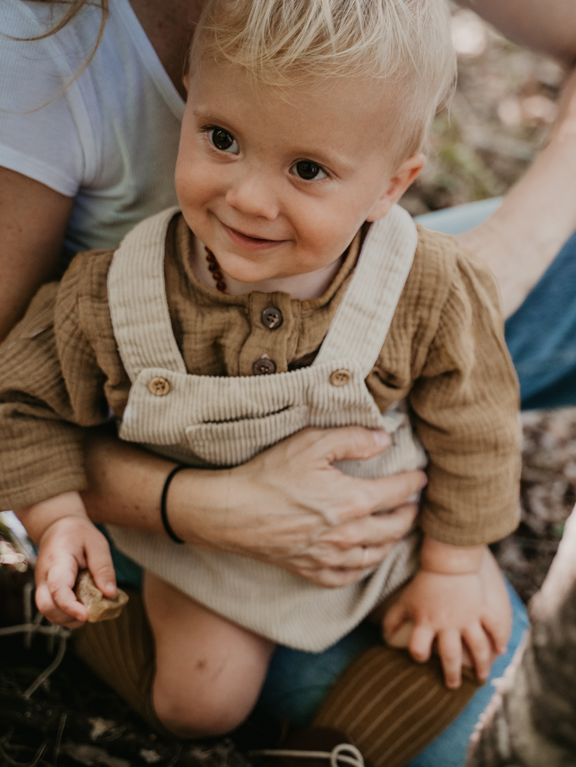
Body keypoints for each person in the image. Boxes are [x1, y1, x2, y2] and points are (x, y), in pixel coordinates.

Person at [1, 0, 521, 751]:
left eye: (307, 169)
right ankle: (53, 622)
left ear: (390, 186)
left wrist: (452, 563)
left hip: (383, 523)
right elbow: (19, 402)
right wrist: (61, 519)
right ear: (188, 92)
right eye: (221, 138)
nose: (247, 196)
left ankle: (337, 732)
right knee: (200, 700)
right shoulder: (116, 294)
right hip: (219, 550)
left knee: (463, 648)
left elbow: (476, 418)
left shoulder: (427, 283)